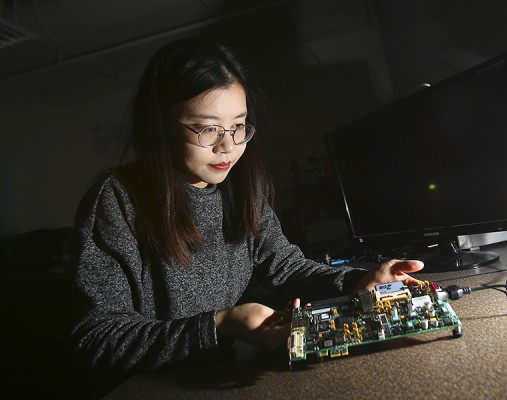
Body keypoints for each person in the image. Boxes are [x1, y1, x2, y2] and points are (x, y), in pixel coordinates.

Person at [70, 38, 423, 394]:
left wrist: (358, 284)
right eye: (207, 128)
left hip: (218, 382)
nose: (228, 146)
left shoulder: (241, 190)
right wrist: (221, 324)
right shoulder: (118, 201)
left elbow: (289, 269)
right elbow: (98, 341)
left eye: (238, 126)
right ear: (161, 125)